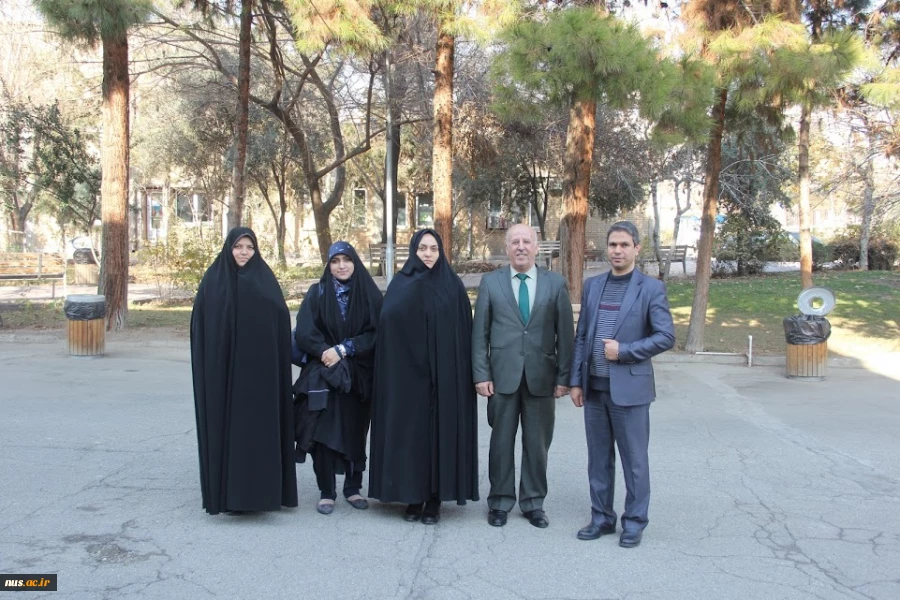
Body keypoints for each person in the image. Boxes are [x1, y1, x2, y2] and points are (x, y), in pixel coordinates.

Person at [569, 221, 675, 547]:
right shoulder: (593, 285)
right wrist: (575, 381)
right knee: (598, 459)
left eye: (624, 245)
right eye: (613, 245)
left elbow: (666, 336)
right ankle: (601, 517)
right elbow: (583, 335)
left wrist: (625, 351)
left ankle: (634, 521)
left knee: (634, 461)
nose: (617, 250)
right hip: (595, 389)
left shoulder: (650, 288)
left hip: (630, 391)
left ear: (636, 248)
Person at [368, 228, 479, 524]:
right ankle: (413, 496)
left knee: (438, 437)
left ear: (441, 252)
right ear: (413, 251)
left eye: (433, 249)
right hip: (407, 380)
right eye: (423, 249)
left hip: (443, 379)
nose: (428, 254)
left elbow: (461, 333)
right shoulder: (400, 285)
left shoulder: (452, 286)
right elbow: (388, 327)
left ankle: (434, 499)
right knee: (411, 438)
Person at [472, 224, 574, 529]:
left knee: (537, 444)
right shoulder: (491, 283)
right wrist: (481, 374)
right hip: (501, 378)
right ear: (506, 246)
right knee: (501, 443)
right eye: (514, 241)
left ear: (536, 246)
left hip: (542, 378)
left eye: (526, 241)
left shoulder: (555, 285)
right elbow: (480, 335)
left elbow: (565, 336)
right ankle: (500, 501)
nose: (520, 246)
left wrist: (564, 377)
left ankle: (533, 503)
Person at [190, 227, 298, 515]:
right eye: (239, 247)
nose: (244, 253)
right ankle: (226, 496)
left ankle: (262, 495)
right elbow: (201, 330)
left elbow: (279, 321)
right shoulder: (213, 282)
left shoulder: (265, 281)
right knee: (227, 432)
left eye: (249, 247)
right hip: (223, 377)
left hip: (260, 379)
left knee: (258, 434)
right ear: (229, 248)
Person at [293, 241, 383, 515]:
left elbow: (377, 332)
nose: (341, 265)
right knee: (322, 432)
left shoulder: (369, 295)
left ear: (355, 263)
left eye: (347, 260)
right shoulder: (317, 293)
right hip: (323, 373)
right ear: (329, 265)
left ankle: (353, 488)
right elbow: (305, 331)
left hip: (358, 376)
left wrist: (345, 349)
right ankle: (326, 491)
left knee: (356, 430)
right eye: (335, 261)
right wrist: (326, 352)